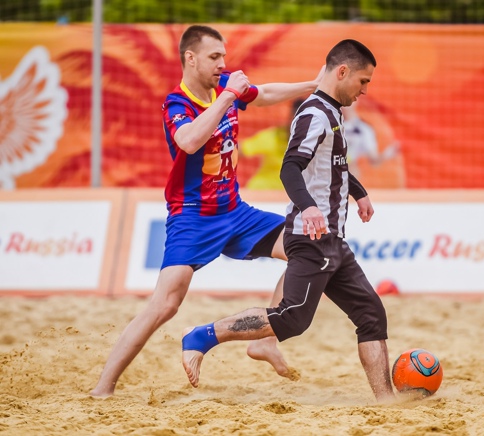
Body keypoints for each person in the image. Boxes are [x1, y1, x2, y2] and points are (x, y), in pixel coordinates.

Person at [90, 25, 323, 397]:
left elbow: (264, 94)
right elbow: (189, 140)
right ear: (191, 58)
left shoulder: (223, 86)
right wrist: (228, 97)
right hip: (193, 218)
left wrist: (311, 84)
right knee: (165, 305)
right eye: (215, 57)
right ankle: (103, 387)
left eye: (224, 57)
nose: (222, 64)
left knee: (307, 247)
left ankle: (265, 339)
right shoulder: (177, 103)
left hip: (235, 212)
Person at [181, 39, 395, 403]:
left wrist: (358, 193)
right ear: (342, 72)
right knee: (291, 318)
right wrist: (308, 207)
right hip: (311, 238)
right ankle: (201, 336)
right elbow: (290, 168)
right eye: (363, 81)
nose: (364, 90)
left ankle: (386, 399)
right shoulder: (314, 114)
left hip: (333, 240)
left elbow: (334, 166)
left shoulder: (333, 112)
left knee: (371, 315)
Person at [241, 99, 303, 190]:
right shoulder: (272, 136)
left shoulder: (317, 142)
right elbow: (240, 150)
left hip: (295, 193)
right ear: (290, 117)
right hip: (263, 191)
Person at [342, 104, 401, 180]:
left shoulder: (364, 129)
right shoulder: (332, 125)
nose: (344, 105)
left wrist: (386, 154)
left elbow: (374, 160)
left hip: (349, 175)